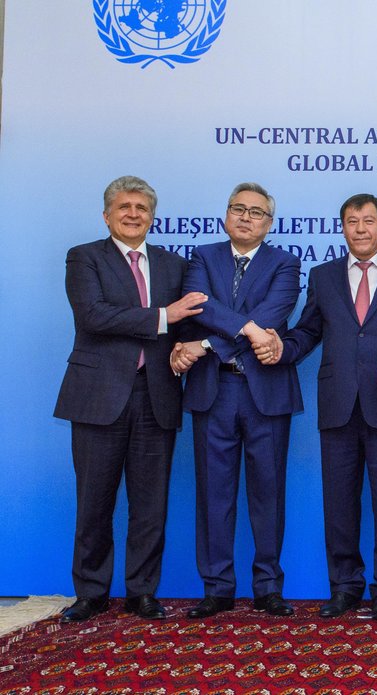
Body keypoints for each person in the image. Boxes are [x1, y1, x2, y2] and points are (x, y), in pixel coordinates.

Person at [255, 194, 377, 621]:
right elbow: (308, 331)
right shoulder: (323, 275)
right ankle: (344, 587)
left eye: (369, 221)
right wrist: (282, 347)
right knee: (339, 504)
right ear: (343, 228)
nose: (361, 229)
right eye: (352, 221)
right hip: (337, 405)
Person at [54, 176, 207, 622]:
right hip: (98, 396)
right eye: (124, 207)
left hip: (156, 394)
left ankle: (142, 592)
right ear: (107, 215)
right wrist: (163, 317)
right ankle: (91, 594)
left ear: (152, 217)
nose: (133, 214)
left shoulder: (173, 265)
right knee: (94, 501)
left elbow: (187, 322)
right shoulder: (84, 257)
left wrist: (185, 345)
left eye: (142, 208)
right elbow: (93, 315)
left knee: (150, 504)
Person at [170, 182, 302, 619]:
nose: (246, 217)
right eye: (238, 209)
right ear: (226, 215)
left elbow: (272, 316)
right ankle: (217, 587)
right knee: (214, 493)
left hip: (266, 392)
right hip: (215, 391)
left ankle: (268, 587)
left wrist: (207, 345)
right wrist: (246, 329)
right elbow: (201, 307)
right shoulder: (202, 257)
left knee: (269, 493)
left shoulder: (285, 263)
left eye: (256, 212)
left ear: (270, 222)